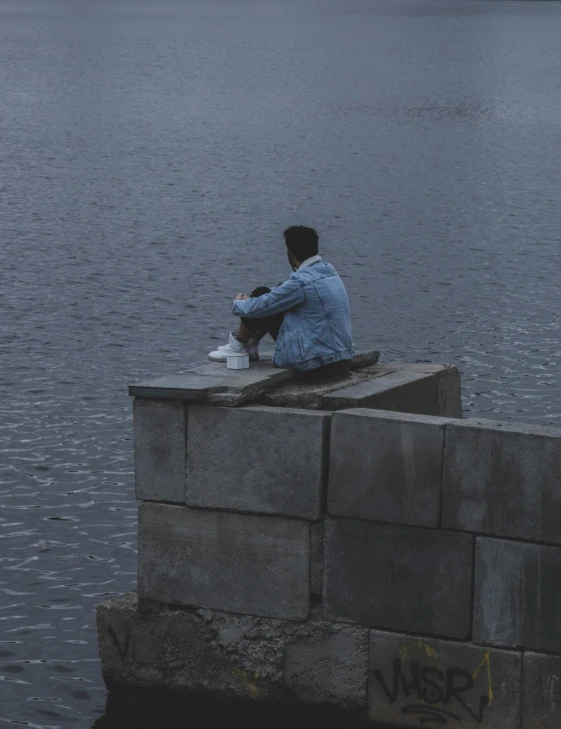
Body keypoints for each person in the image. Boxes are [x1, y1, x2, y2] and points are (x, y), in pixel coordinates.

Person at [208, 226, 354, 377]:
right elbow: (281, 293)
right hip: (342, 359)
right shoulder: (329, 273)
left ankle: (238, 347)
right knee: (271, 295)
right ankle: (249, 346)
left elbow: (265, 305)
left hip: (313, 363)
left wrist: (237, 304)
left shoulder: (300, 281)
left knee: (262, 295)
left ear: (290, 254)